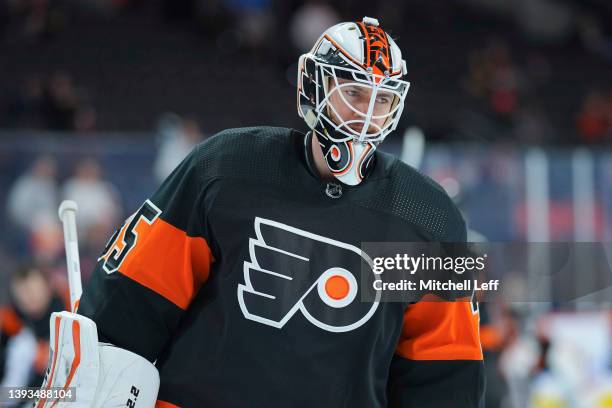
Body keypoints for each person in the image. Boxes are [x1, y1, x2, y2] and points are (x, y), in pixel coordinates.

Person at [42, 17, 484, 407]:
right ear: (316, 84)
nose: (366, 114)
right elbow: (133, 299)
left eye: (381, 100)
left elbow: (443, 373)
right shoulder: (228, 164)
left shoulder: (429, 217)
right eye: (352, 92)